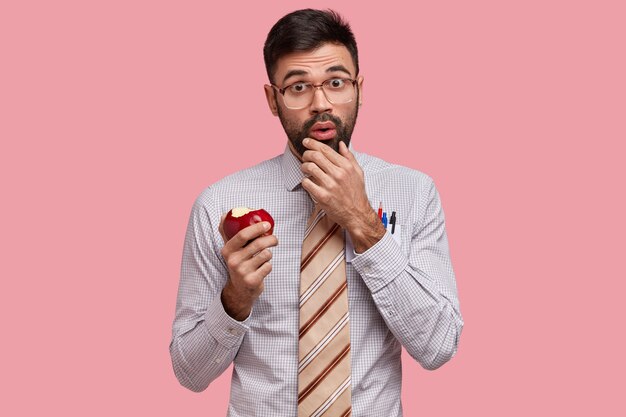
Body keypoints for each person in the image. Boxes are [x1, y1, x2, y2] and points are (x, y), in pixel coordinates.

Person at [170, 8, 463, 417]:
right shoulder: (218, 204)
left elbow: (438, 345)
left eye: (336, 83)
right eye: (298, 87)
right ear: (273, 99)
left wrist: (364, 223)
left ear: (359, 89)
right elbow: (189, 372)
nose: (320, 103)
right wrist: (235, 298)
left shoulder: (414, 193)